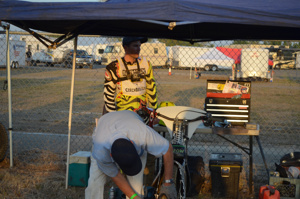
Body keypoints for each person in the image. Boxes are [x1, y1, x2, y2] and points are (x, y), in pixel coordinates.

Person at [85, 110, 177, 199]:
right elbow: (116, 175)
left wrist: (168, 182)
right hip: (105, 126)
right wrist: (133, 197)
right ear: (111, 157)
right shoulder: (101, 151)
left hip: (130, 121)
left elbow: (167, 148)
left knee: (136, 188)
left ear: (133, 144)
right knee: (94, 184)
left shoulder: (141, 134)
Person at [103, 37, 158, 115]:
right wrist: (113, 116)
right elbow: (109, 95)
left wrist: (153, 111)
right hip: (122, 114)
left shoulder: (146, 64)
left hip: (142, 114)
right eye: (135, 46)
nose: (139, 49)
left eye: (139, 46)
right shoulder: (114, 67)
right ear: (126, 48)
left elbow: (151, 89)